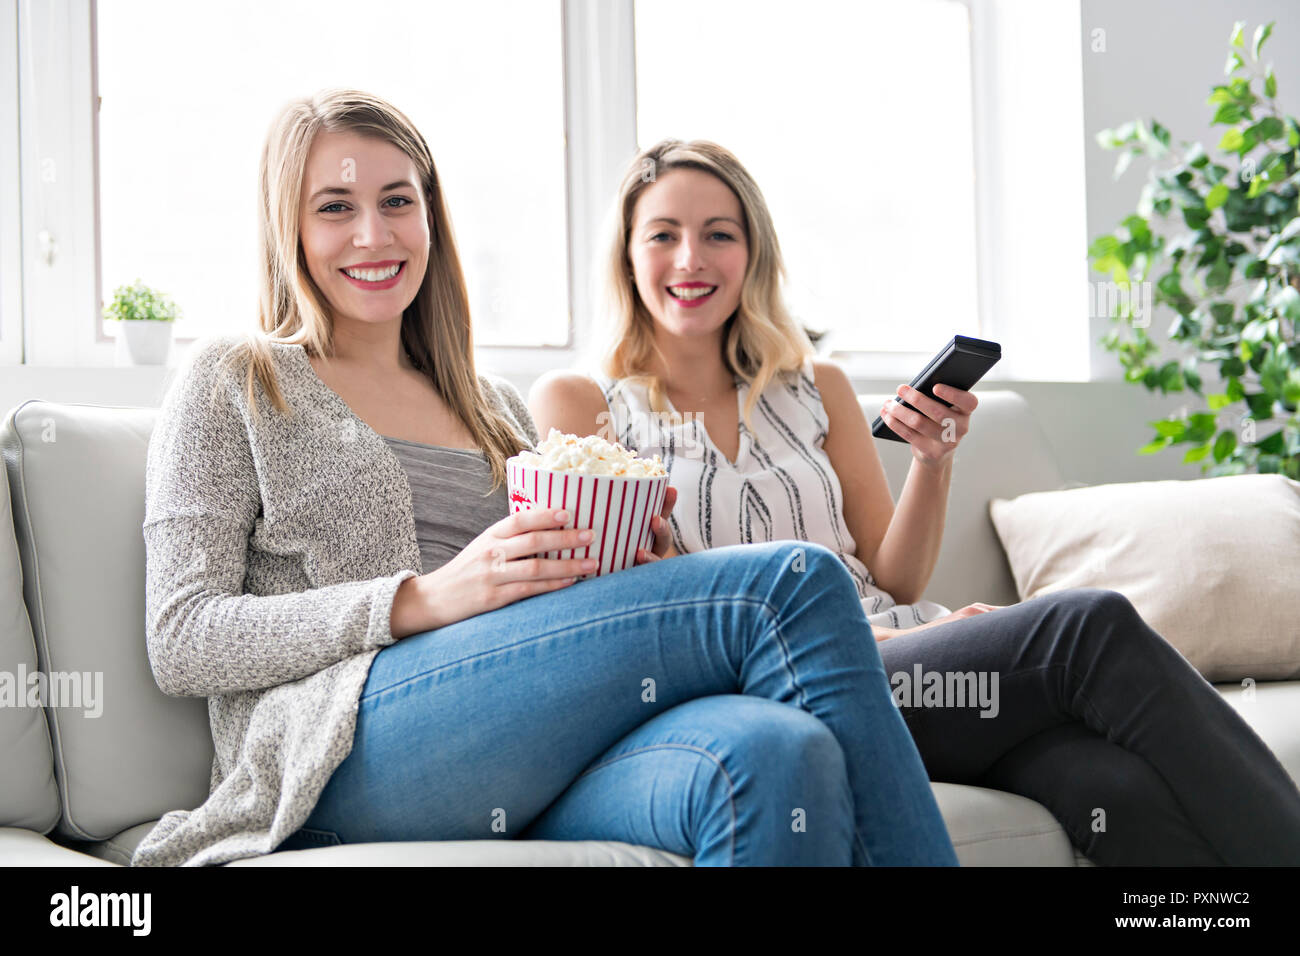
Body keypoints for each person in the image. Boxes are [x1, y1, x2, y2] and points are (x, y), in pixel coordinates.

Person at [130, 90, 959, 868]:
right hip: (339, 747)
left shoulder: (491, 407)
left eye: (396, 202)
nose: (374, 235)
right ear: (289, 228)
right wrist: (420, 598)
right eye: (335, 207)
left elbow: (548, 622)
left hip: (527, 747)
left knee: (781, 755)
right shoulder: (236, 380)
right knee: (792, 581)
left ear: (430, 218)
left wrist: (638, 565)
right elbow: (182, 637)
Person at [528, 137, 1300, 865]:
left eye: (718, 234)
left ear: (752, 252)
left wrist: (933, 462)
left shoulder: (813, 388)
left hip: (910, 665)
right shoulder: (583, 403)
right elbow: (642, 624)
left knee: (1107, 787)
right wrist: (889, 645)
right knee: (1086, 627)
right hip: (802, 679)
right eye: (662, 234)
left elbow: (894, 584)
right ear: (627, 255)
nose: (690, 259)